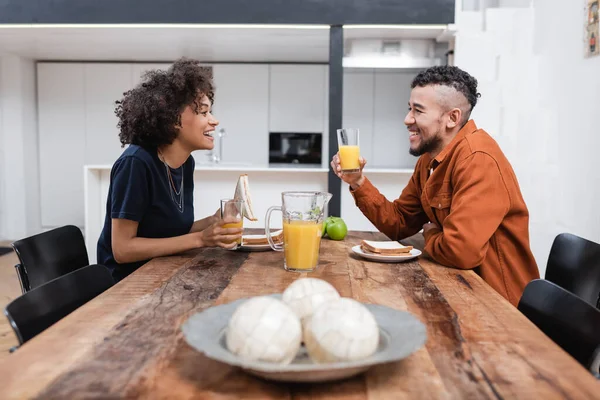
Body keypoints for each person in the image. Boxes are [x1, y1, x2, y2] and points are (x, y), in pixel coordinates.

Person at [331, 65, 539, 306]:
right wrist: (357, 181)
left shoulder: (478, 160)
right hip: (460, 291)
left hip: (499, 307)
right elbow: (399, 223)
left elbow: (460, 251)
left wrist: (429, 232)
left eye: (418, 111)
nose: (407, 119)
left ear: (452, 118)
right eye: (409, 109)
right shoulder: (429, 160)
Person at [97, 58, 243, 281]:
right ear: (175, 119)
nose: (214, 121)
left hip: (165, 272)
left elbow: (170, 231)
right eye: (204, 113)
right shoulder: (136, 163)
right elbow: (122, 250)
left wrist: (212, 222)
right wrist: (202, 239)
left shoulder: (185, 163)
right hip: (126, 284)